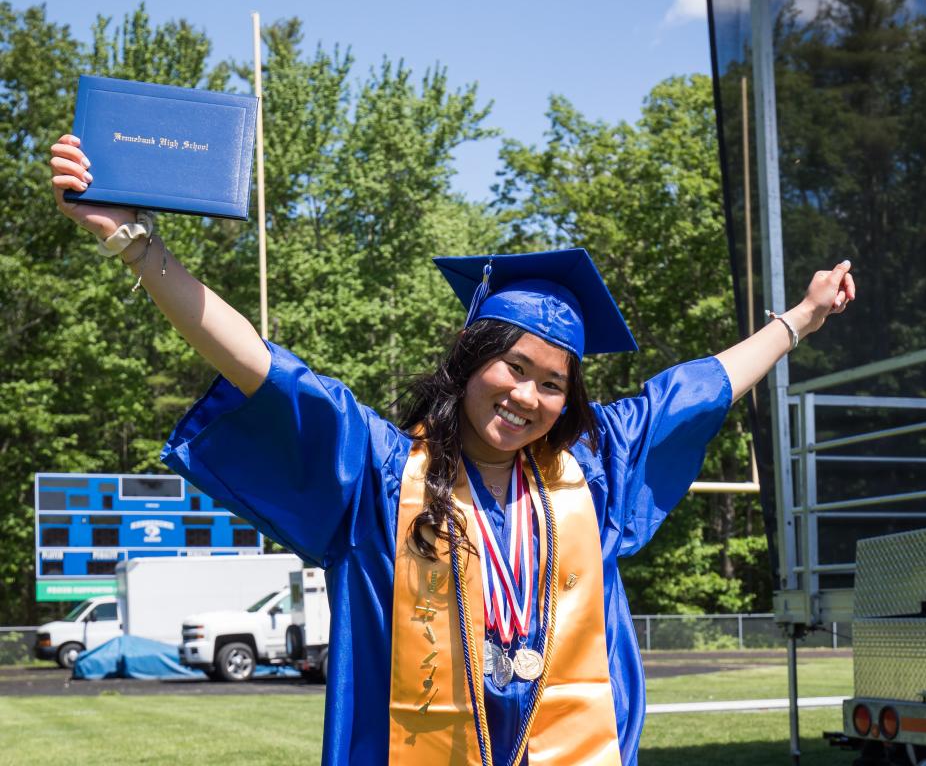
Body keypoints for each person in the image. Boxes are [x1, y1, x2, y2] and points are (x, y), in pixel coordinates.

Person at [50, 133, 854, 766]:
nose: (528, 397)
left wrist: (803, 319)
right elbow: (261, 366)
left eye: (552, 384)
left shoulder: (594, 472)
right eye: (514, 366)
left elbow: (703, 385)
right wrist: (133, 243)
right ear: (472, 360)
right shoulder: (378, 473)